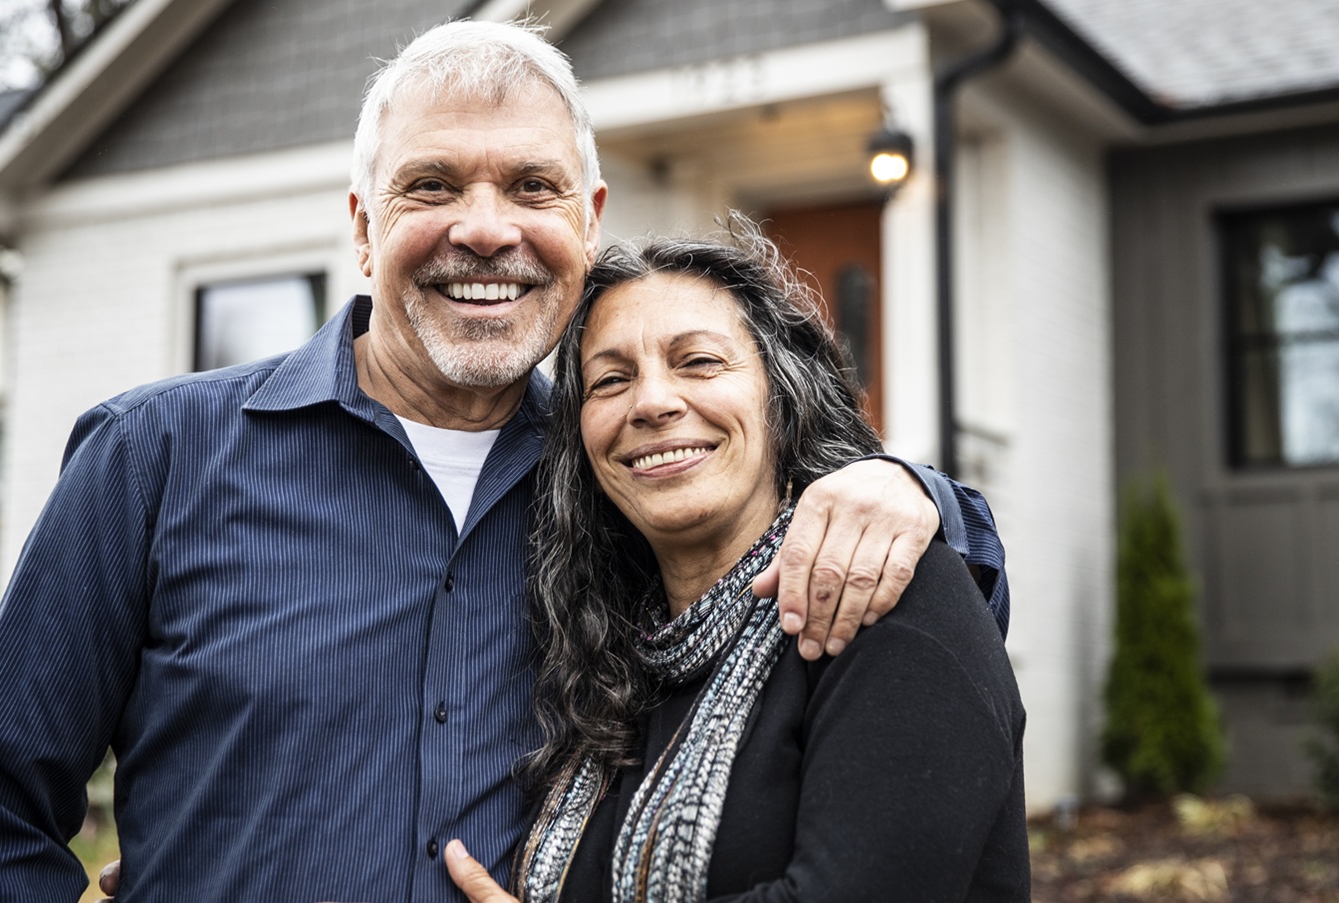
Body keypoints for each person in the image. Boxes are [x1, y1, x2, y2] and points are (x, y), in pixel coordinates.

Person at [0, 19, 1008, 903]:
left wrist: (912, 492)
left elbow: (845, 588)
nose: (486, 229)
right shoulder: (154, 458)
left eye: (531, 187)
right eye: (432, 185)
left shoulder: (622, 486)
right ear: (365, 228)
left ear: (586, 226)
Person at [441, 226, 1029, 902]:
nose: (653, 402)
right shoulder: (611, 669)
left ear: (781, 396)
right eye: (611, 379)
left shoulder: (884, 595)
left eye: (698, 362)